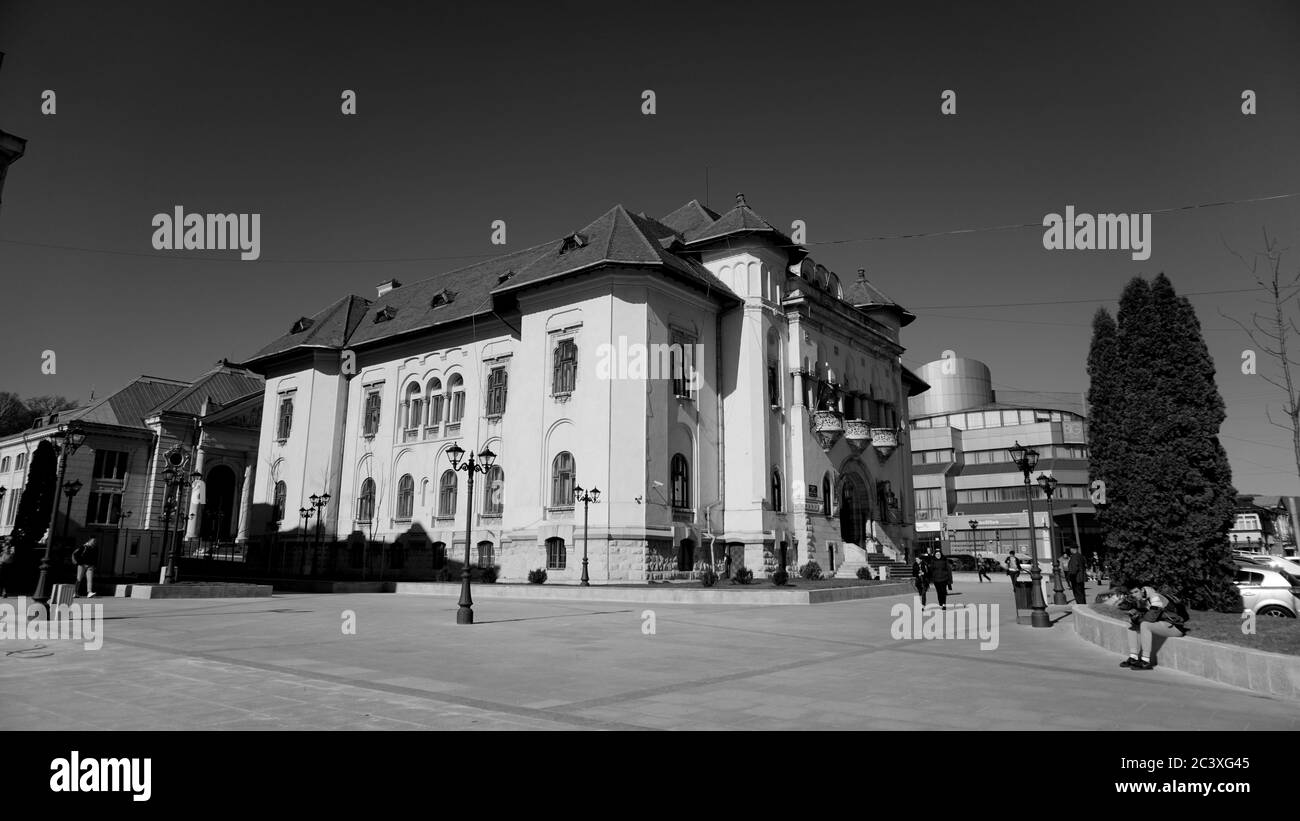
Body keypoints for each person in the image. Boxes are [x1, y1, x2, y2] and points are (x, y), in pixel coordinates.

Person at [1116, 584, 1190, 670]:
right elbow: (1126, 608)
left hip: (1175, 627)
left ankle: (1145, 661)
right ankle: (1133, 657)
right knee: (1130, 623)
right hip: (1163, 625)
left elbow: (1150, 618)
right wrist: (1132, 611)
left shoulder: (1155, 597)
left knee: (1145, 624)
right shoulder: (1144, 599)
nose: (1134, 595)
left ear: (1143, 590)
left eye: (1136, 592)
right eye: (1132, 593)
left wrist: (1137, 617)